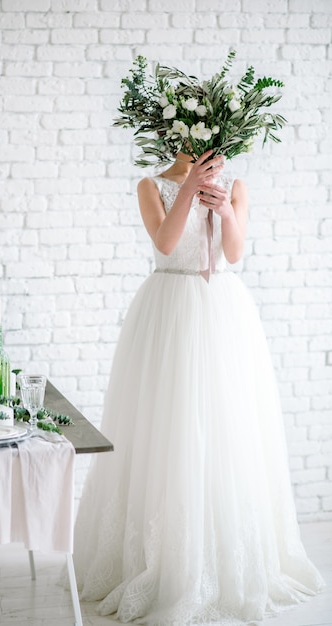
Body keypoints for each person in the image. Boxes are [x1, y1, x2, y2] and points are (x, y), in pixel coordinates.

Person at [73, 52, 325, 623]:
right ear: (172, 133)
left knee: (226, 429)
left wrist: (224, 209)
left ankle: (222, 557)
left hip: (223, 313)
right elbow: (165, 243)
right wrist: (188, 191)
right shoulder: (149, 185)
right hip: (168, 313)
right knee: (168, 428)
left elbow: (235, 253)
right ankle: (161, 557)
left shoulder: (236, 184)